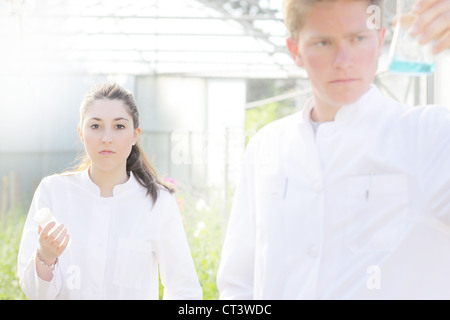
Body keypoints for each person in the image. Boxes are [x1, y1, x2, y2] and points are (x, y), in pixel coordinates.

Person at [217, 0, 450, 299]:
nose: (343, 59)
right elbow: (239, 283)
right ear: (295, 50)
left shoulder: (430, 136)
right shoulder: (266, 146)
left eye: (357, 39)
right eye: (323, 42)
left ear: (379, 40)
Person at [17, 82, 203, 300]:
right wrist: (45, 257)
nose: (106, 138)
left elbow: (183, 289)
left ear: (135, 134)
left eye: (119, 126)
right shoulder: (54, 192)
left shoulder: (158, 202)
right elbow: (34, 293)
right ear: (80, 133)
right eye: (95, 126)